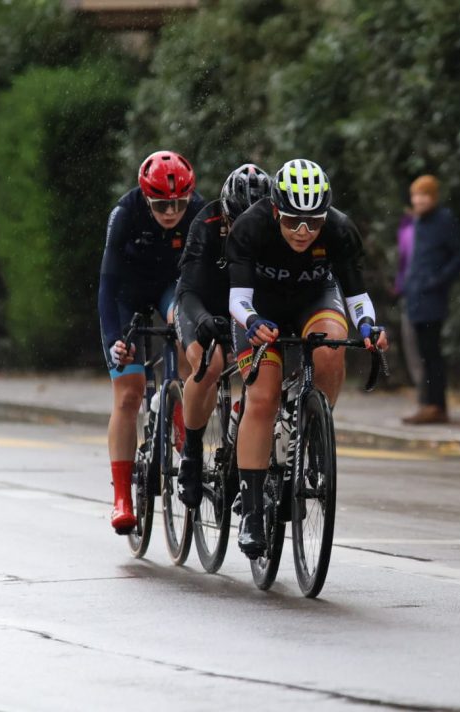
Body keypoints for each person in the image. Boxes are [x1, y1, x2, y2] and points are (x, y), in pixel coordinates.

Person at [226, 158, 389, 558]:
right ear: (276, 209)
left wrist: (369, 326)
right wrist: (251, 322)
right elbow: (237, 299)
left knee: (332, 347)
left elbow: (356, 297)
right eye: (294, 221)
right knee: (262, 399)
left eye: (313, 222)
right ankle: (250, 512)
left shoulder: (340, 229)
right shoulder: (250, 226)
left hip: (314, 299)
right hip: (259, 310)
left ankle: (313, 424)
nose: (303, 231)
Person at [98, 150, 206, 533]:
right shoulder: (124, 214)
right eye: (161, 204)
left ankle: (176, 401)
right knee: (128, 394)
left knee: (187, 324)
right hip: (126, 297)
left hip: (170, 289)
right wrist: (115, 340)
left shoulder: (200, 212)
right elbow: (108, 285)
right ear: (146, 197)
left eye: (179, 203)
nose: (172, 212)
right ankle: (123, 497)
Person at [172, 164, 272, 508]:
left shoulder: (275, 225)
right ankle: (193, 450)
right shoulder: (206, 223)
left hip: (248, 308)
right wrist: (201, 319)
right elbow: (187, 291)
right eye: (236, 223)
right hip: (202, 304)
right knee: (210, 364)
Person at [402, 175, 460, 425]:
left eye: (423, 195)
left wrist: (438, 281)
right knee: (422, 354)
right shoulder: (418, 222)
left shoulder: (444, 221)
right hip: (416, 296)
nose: (418, 200)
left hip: (431, 298)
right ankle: (427, 403)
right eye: (415, 195)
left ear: (433, 197)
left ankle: (436, 405)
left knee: (431, 354)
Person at [393, 210, 423, 386]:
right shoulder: (406, 229)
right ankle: (423, 391)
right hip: (409, 292)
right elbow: (403, 262)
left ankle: (427, 393)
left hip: (422, 292)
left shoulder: (420, 228)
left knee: (420, 345)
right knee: (412, 343)